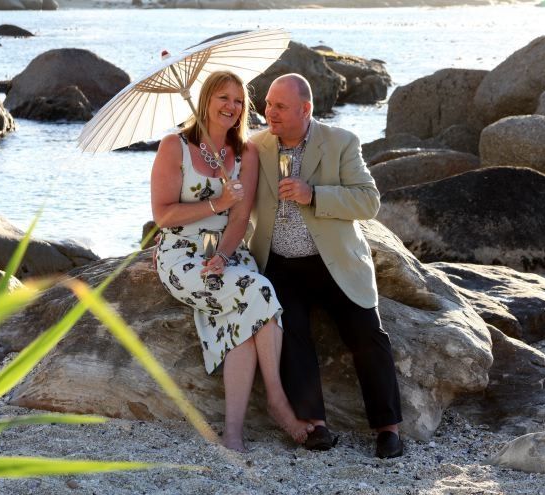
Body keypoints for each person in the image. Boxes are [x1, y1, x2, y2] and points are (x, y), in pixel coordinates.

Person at [150, 70, 312, 452]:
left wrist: (223, 255)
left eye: (239, 101)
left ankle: (233, 434)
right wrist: (215, 203)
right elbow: (162, 216)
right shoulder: (174, 146)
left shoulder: (246, 153)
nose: (231, 107)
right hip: (180, 251)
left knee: (242, 310)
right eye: (223, 97)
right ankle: (277, 400)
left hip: (227, 247)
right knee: (258, 289)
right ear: (206, 100)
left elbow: (240, 219)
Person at [248, 73, 404, 459]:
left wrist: (313, 194)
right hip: (279, 264)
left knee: (366, 334)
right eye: (267, 103)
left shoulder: (340, 142)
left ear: (306, 109)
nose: (270, 112)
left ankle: (388, 429)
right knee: (293, 333)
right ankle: (314, 424)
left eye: (280, 106)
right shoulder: (256, 146)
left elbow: (368, 202)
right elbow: (227, 194)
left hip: (332, 263)